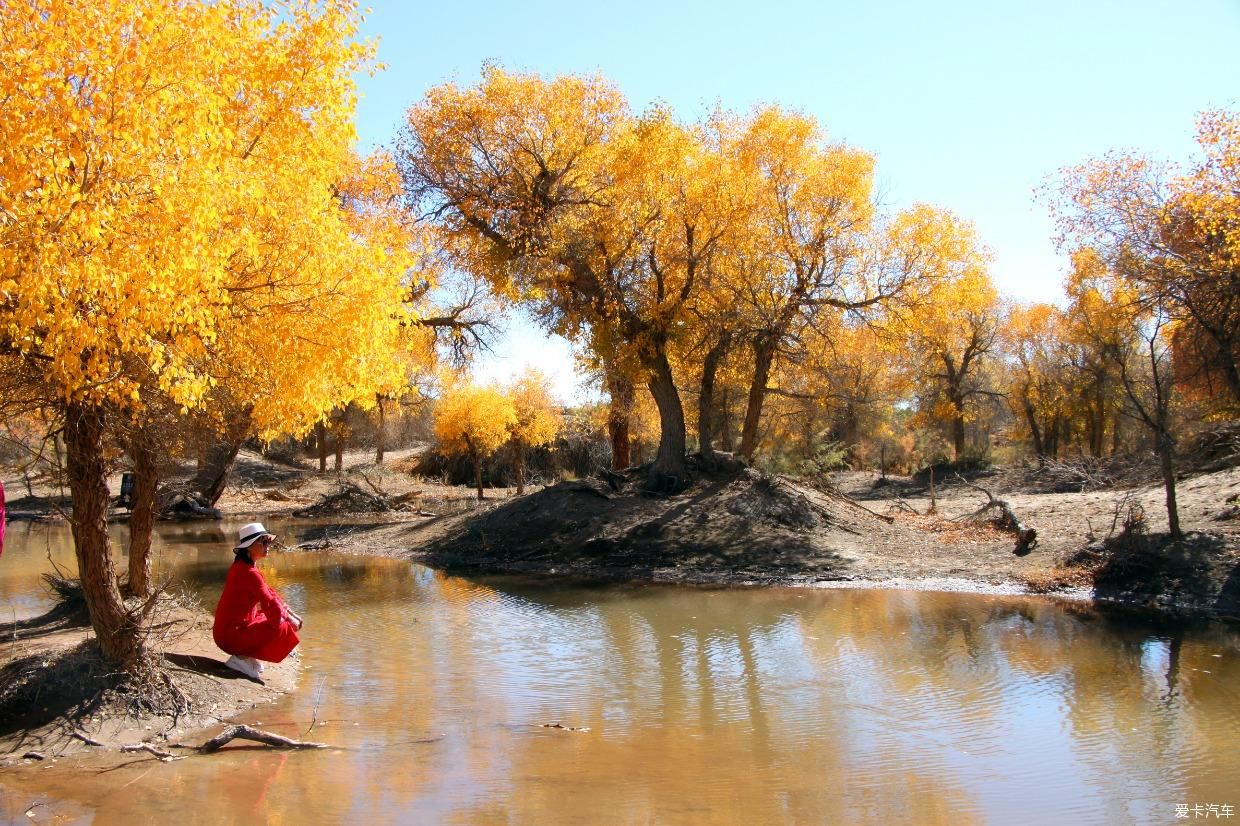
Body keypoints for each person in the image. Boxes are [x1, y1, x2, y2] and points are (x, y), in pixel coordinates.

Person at [213, 522, 303, 680]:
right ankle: (239, 658)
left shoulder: (241, 566)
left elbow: (270, 593)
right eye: (263, 542)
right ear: (248, 547)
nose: (268, 545)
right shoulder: (249, 573)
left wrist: (290, 613)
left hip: (226, 632)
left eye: (268, 541)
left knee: (268, 617)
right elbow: (270, 604)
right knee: (281, 626)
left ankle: (244, 656)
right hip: (229, 637)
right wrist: (289, 619)